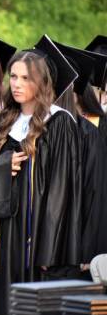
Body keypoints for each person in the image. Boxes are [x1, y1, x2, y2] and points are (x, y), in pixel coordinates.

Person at [0, 35, 82, 315]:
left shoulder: (58, 123)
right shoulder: (4, 124)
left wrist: (49, 250)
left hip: (40, 240)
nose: (18, 83)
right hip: (8, 237)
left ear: (42, 82)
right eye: (14, 76)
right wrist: (1, 169)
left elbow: (62, 192)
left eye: (26, 78)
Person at [55, 42, 107, 275]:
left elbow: (95, 193)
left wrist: (89, 251)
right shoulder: (44, 128)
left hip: (80, 242)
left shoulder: (90, 132)